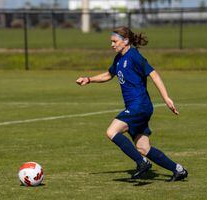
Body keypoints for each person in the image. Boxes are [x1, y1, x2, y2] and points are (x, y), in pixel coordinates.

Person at [76, 26, 188, 182]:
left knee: (112, 131)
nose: (112, 45)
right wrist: (88, 79)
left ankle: (142, 163)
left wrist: (166, 98)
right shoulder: (118, 59)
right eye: (111, 42)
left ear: (125, 41)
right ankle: (178, 170)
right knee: (143, 148)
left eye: (115, 41)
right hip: (135, 107)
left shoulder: (134, 56)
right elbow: (109, 75)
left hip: (140, 105)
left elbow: (154, 75)